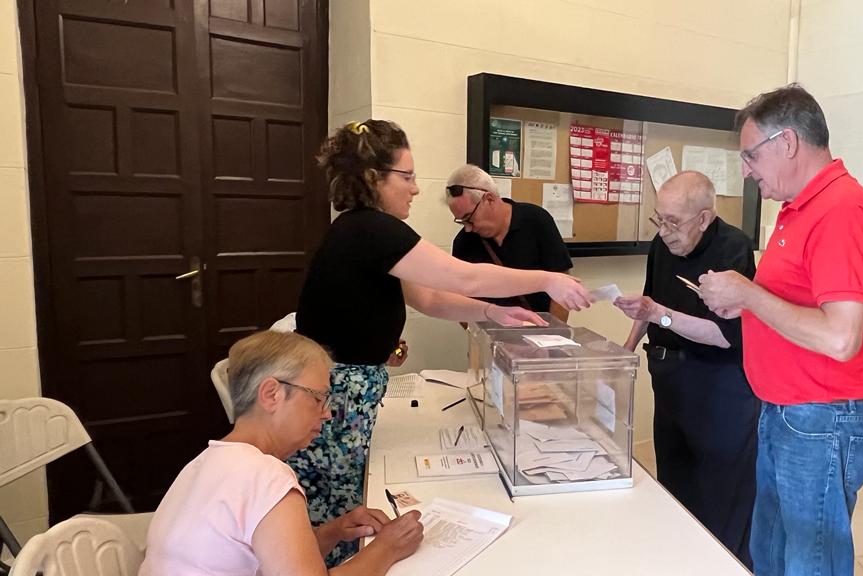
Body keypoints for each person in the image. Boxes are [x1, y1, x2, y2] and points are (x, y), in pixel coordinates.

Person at [292, 120, 593, 565]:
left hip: (343, 391)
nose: (415, 188)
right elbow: (464, 277)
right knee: (335, 514)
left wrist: (491, 312)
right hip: (331, 398)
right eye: (407, 176)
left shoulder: (363, 230)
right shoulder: (373, 230)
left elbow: (429, 297)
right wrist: (548, 279)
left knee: (345, 508)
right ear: (374, 178)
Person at [699, 84, 863, 576]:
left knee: (810, 562)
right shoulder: (799, 209)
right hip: (789, 412)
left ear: (787, 142)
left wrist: (748, 295)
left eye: (751, 155)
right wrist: (743, 304)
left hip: (823, 419)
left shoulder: (843, 211)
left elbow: (840, 338)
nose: (746, 171)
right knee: (772, 551)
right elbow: (795, 306)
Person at [140, 331, 424, 576]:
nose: (327, 414)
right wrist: (388, 548)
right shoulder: (265, 477)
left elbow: (274, 560)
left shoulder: (201, 464)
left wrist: (333, 531)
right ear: (272, 394)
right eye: (318, 398)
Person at [613, 171, 758, 569]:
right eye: (658, 219)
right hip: (669, 378)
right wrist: (626, 350)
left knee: (722, 497)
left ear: (704, 218)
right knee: (675, 486)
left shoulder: (733, 248)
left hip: (719, 384)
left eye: (673, 222)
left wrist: (660, 315)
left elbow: (725, 335)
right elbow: (650, 301)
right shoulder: (662, 244)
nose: (663, 232)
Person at [446, 164, 573, 321]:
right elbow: (459, 300)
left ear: (489, 199)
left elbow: (562, 284)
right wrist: (476, 333)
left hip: (540, 328)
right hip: (490, 331)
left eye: (469, 218)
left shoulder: (536, 220)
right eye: (461, 221)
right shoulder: (464, 242)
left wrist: (553, 331)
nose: (468, 228)